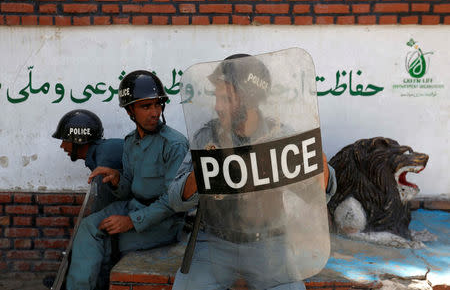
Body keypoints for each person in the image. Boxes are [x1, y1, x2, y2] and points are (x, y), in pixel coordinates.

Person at [169, 54, 337, 290]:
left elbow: (319, 194)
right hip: (215, 244)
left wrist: (319, 168)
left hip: (269, 245)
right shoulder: (206, 138)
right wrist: (202, 173)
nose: (217, 106)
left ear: (249, 99)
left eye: (225, 98)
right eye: (216, 98)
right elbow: (175, 200)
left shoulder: (281, 137)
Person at [65, 70, 189, 290]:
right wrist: (116, 179)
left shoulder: (174, 145)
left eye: (158, 105)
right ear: (130, 110)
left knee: (108, 242)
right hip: (133, 206)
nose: (155, 113)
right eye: (146, 106)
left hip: (164, 221)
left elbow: (172, 202)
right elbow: (128, 189)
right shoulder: (131, 142)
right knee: (88, 227)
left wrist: (131, 221)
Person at [53, 109, 124, 212]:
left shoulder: (104, 159)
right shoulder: (100, 153)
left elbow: (104, 208)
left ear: (79, 140)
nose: (62, 146)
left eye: (65, 140)